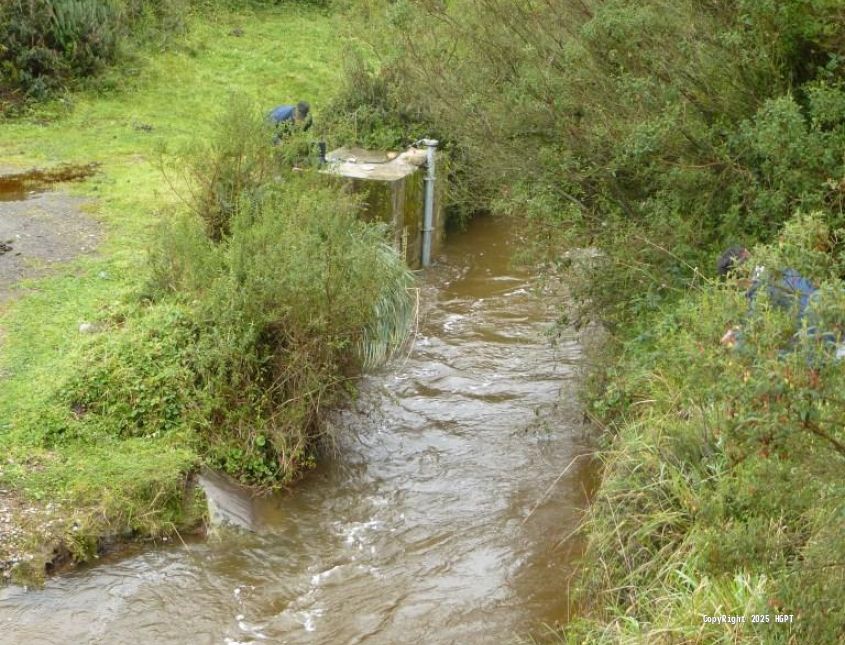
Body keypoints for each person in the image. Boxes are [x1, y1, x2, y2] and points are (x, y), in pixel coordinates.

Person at [717, 246, 844, 359]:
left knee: (774, 355)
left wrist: (732, 339)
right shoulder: (782, 267)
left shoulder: (759, 294)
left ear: (734, 280)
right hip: (836, 310)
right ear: (748, 253)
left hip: (825, 342)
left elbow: (752, 334)